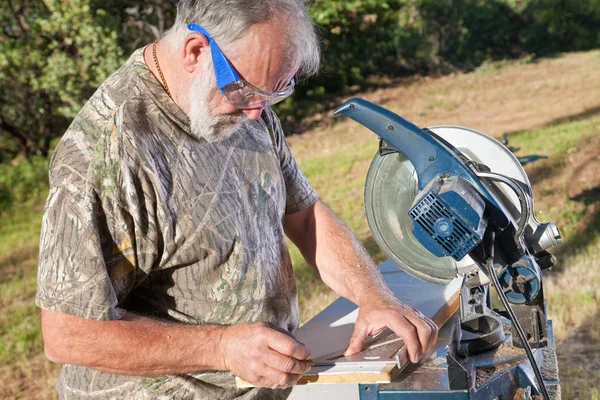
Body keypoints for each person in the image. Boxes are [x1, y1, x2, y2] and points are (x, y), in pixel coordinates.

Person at [36, 0, 438, 398]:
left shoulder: (244, 97)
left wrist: (374, 296)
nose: (255, 114)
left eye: (274, 94)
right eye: (246, 90)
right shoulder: (104, 155)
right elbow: (68, 334)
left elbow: (304, 215)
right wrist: (221, 347)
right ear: (196, 51)